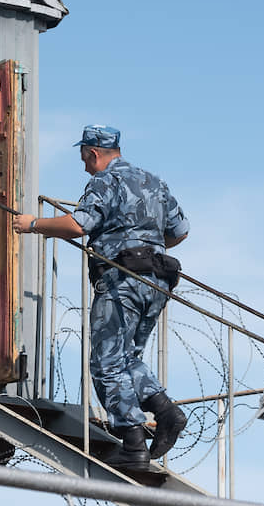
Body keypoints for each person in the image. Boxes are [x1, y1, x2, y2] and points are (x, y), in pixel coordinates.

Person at [12, 125, 189, 471]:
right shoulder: (154, 181)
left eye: (83, 157)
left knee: (106, 363)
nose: (83, 166)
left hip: (122, 281)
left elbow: (79, 225)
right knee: (125, 357)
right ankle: (166, 411)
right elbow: (179, 231)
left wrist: (33, 224)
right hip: (157, 280)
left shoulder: (104, 181)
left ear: (93, 153)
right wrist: (144, 246)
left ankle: (133, 443)